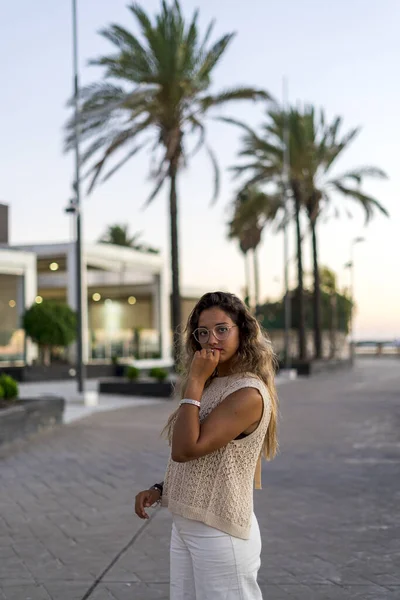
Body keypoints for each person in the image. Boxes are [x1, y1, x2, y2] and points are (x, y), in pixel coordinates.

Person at [135, 291, 279, 599]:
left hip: (220, 531)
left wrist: (195, 383)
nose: (212, 339)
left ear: (242, 332)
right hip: (187, 526)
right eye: (203, 332)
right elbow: (204, 461)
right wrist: (162, 489)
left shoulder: (248, 393)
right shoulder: (214, 383)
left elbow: (186, 450)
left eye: (222, 329)